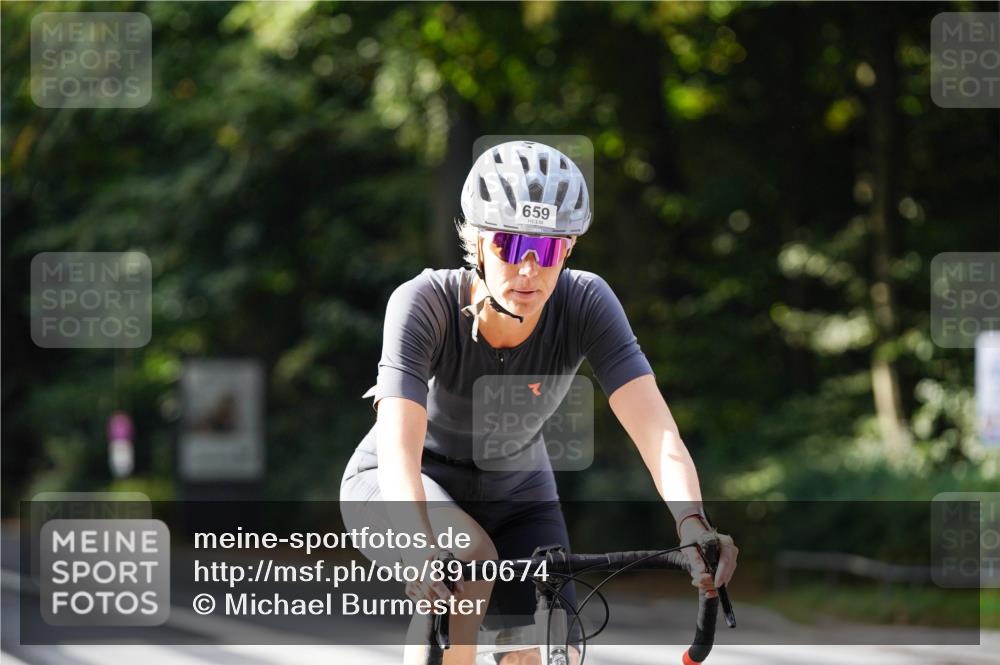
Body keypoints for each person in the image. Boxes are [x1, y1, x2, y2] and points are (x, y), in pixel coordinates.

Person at [340, 140, 738, 665]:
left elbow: (657, 434)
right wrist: (419, 547)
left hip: (518, 490)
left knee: (550, 652)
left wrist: (692, 523)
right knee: (464, 559)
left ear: (568, 249)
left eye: (547, 250)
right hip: (403, 480)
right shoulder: (424, 302)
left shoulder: (587, 302)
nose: (529, 270)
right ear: (478, 242)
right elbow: (398, 449)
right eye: (510, 245)